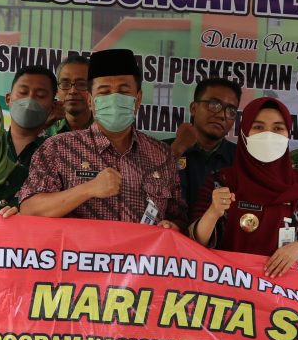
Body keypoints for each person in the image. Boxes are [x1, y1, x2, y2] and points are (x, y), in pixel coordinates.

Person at [17, 48, 186, 229]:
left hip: (143, 249)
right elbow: (30, 209)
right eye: (104, 92)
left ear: (138, 99)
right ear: (90, 100)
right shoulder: (58, 148)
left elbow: (179, 218)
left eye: (123, 91)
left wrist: (173, 227)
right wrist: (88, 189)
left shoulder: (161, 154)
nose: (114, 99)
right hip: (80, 248)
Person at [191, 97, 298, 274]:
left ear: (288, 134)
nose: (268, 135)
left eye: (278, 128)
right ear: (244, 133)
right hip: (225, 287)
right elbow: (192, 245)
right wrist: (213, 212)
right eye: (258, 127)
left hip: (282, 290)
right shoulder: (220, 183)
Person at [172, 78, 239, 209]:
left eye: (231, 111)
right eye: (214, 105)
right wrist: (176, 150)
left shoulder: (240, 160)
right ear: (193, 108)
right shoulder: (162, 150)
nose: (222, 115)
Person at [4, 64, 59, 168]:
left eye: (40, 95)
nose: (30, 99)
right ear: (8, 98)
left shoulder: (59, 152)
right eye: (23, 92)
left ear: (52, 106)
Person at [52, 54, 92, 133]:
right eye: (65, 84)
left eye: (81, 84)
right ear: (56, 90)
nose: (73, 91)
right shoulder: (44, 131)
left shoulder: (107, 131)